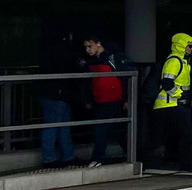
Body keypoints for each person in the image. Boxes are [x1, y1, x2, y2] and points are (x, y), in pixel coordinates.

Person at [81, 35, 133, 167]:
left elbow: (124, 78)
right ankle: (103, 155)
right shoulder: (91, 61)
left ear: (98, 43)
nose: (88, 49)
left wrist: (126, 99)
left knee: (104, 128)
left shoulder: (112, 58)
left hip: (113, 98)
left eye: (90, 45)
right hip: (99, 99)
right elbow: (88, 82)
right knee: (106, 128)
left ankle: (99, 157)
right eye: (86, 47)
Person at [152, 32, 192, 171]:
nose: (191, 49)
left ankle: (175, 160)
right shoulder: (174, 61)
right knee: (185, 135)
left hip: (173, 104)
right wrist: (180, 95)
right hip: (171, 104)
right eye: (189, 46)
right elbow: (166, 82)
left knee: (171, 135)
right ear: (181, 46)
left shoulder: (181, 60)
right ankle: (185, 164)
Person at [38, 29, 76, 168]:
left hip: (56, 93)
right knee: (54, 126)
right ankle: (50, 158)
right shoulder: (59, 53)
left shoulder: (47, 51)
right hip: (56, 93)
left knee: (59, 126)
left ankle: (66, 156)